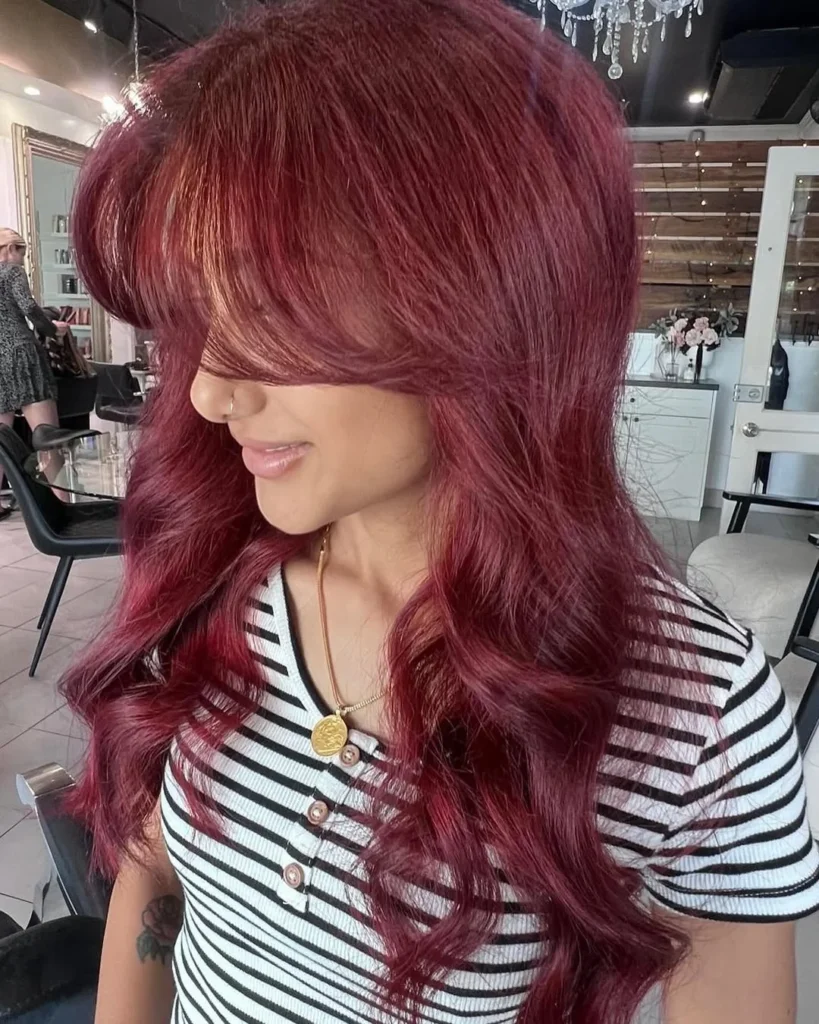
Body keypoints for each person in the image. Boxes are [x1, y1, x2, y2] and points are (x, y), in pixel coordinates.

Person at [61, 2, 818, 1023]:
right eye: (197, 319)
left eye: (272, 312)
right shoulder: (222, 571)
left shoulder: (691, 718)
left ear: (483, 298)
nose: (208, 391)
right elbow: (154, 880)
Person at [0, 229, 68, 434]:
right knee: (47, 438)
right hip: (21, 355)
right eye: (22, 255)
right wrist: (52, 330)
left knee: (3, 444)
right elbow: (28, 307)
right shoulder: (12, 271)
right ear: (11, 248)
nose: (22, 262)